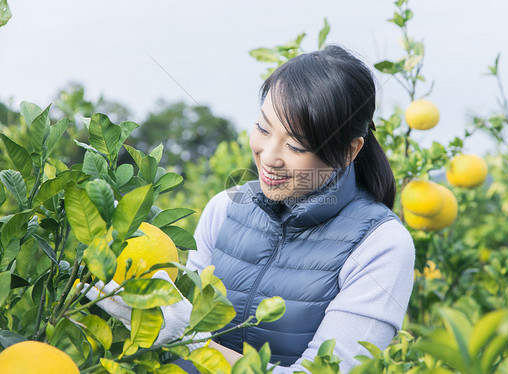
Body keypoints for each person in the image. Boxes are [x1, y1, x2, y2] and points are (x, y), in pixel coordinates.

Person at [86, 44, 415, 373]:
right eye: (262, 128)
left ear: (348, 151)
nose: (269, 156)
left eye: (296, 145)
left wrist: (192, 339)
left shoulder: (381, 246)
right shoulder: (224, 209)